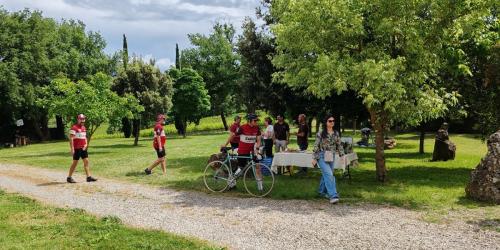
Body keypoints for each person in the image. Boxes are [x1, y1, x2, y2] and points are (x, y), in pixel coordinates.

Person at [312, 114, 344, 204]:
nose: (332, 122)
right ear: (326, 122)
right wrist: (314, 158)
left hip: (332, 156)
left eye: (333, 121)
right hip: (321, 156)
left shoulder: (336, 133)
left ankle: (321, 192)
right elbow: (316, 145)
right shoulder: (320, 133)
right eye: (330, 121)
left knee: (326, 174)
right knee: (329, 174)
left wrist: (342, 156)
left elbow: (339, 145)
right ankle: (333, 195)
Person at [233, 113, 262, 190]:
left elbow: (259, 140)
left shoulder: (257, 128)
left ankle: (260, 187)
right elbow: (233, 135)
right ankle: (232, 182)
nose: (256, 122)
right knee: (241, 169)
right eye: (255, 120)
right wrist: (226, 144)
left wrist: (257, 148)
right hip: (242, 151)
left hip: (252, 151)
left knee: (257, 166)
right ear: (249, 121)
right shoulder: (242, 127)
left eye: (257, 120)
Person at [66, 114, 97, 183]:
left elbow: (85, 137)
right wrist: (72, 149)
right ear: (78, 119)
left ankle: (88, 177)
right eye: (81, 119)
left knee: (86, 161)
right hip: (77, 148)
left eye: (83, 119)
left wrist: (86, 144)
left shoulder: (84, 128)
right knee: (75, 163)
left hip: (83, 148)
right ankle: (69, 177)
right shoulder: (74, 128)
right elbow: (71, 138)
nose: (82, 120)